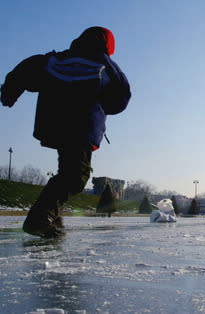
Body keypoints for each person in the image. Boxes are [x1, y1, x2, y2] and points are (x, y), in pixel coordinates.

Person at [1, 26, 131, 237]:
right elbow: (121, 96)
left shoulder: (57, 58)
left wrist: (10, 91)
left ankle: (53, 216)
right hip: (81, 125)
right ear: (107, 46)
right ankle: (40, 218)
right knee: (75, 176)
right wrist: (103, 105)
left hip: (53, 123)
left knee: (67, 171)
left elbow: (28, 68)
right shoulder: (104, 63)